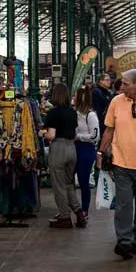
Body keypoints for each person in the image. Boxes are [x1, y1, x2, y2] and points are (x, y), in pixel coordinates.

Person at [97, 69, 136, 259]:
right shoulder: (116, 102)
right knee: (123, 204)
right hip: (121, 162)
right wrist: (101, 151)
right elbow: (109, 129)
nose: (121, 86)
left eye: (126, 84)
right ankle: (124, 240)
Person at [42, 83, 86, 229]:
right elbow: (74, 133)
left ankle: (65, 216)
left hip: (58, 149)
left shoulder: (53, 113)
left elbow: (51, 135)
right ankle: (79, 212)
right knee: (69, 184)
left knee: (59, 186)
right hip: (71, 148)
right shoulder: (72, 112)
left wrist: (42, 133)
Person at [74, 85, 99, 218]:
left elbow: (95, 136)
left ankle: (84, 210)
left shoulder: (91, 115)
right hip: (76, 148)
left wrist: (78, 137)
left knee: (84, 181)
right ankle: (76, 209)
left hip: (86, 149)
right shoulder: (76, 113)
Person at [92, 73, 113, 138]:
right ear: (101, 81)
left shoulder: (108, 92)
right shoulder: (96, 91)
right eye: (107, 80)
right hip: (100, 120)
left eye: (109, 80)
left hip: (107, 120)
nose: (109, 82)